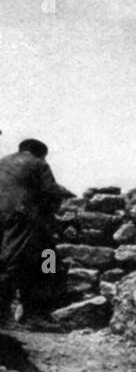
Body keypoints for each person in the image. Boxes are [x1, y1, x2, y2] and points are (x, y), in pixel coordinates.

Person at [0, 138, 73, 323]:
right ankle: (27, 315)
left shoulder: (4, 162)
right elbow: (49, 189)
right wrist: (67, 195)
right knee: (13, 260)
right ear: (40, 153)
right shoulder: (38, 163)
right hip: (20, 215)